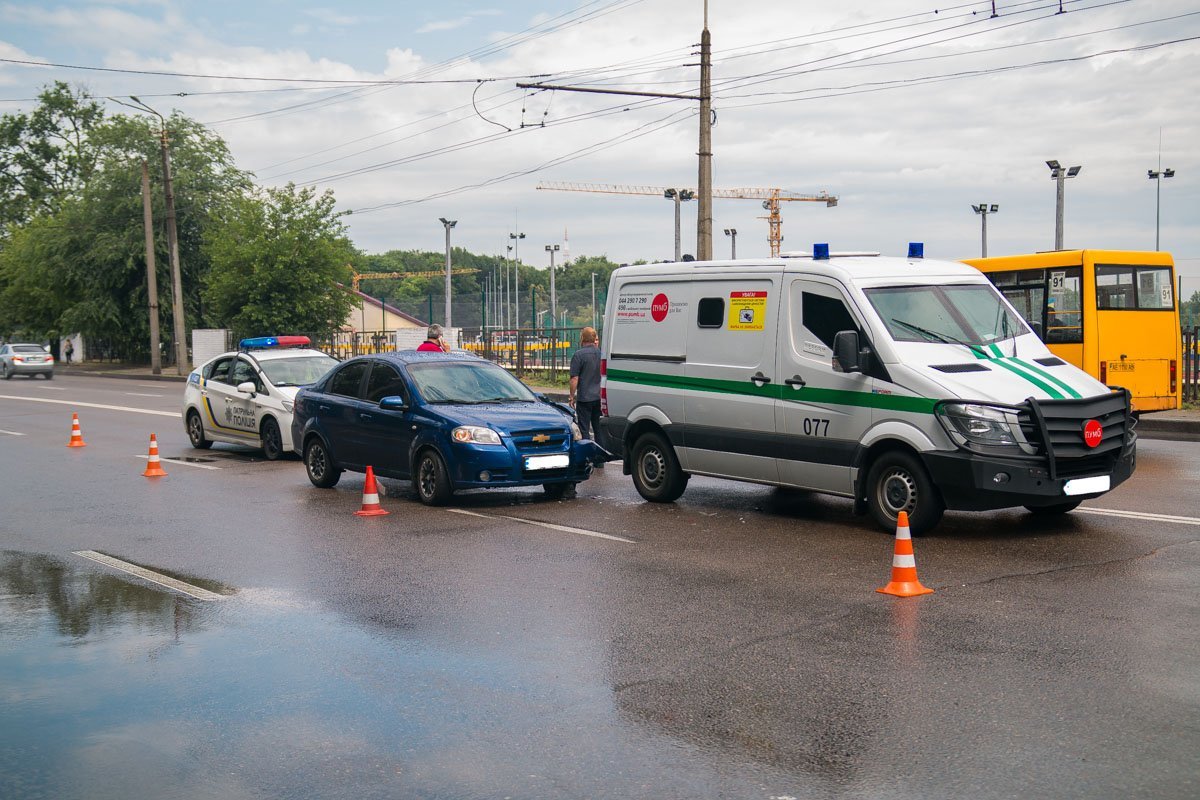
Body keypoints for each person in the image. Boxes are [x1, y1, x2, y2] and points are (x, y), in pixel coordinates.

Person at [569, 326, 607, 467]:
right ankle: (600, 461)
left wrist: (571, 396)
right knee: (598, 429)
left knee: (584, 429)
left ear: (582, 338)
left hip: (585, 398)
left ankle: (587, 459)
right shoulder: (601, 353)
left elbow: (574, 379)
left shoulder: (579, 355)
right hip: (599, 398)